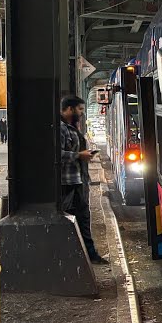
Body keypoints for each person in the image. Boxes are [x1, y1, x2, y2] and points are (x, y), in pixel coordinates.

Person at [59, 95, 106, 264]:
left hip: (79, 181)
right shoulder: (61, 129)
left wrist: (84, 155)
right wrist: (79, 155)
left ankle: (91, 254)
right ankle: (75, 256)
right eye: (79, 109)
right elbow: (57, 154)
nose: (81, 113)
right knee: (72, 220)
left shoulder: (72, 128)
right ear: (69, 109)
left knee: (84, 218)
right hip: (68, 184)